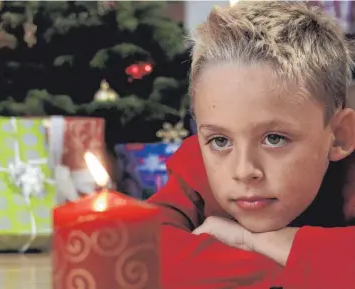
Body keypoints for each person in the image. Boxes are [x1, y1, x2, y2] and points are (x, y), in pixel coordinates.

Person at [147, 2, 355, 288]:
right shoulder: (195, 163)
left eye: (274, 138)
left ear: (340, 135)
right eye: (220, 141)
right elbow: (146, 254)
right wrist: (315, 271)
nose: (244, 171)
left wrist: (253, 240)